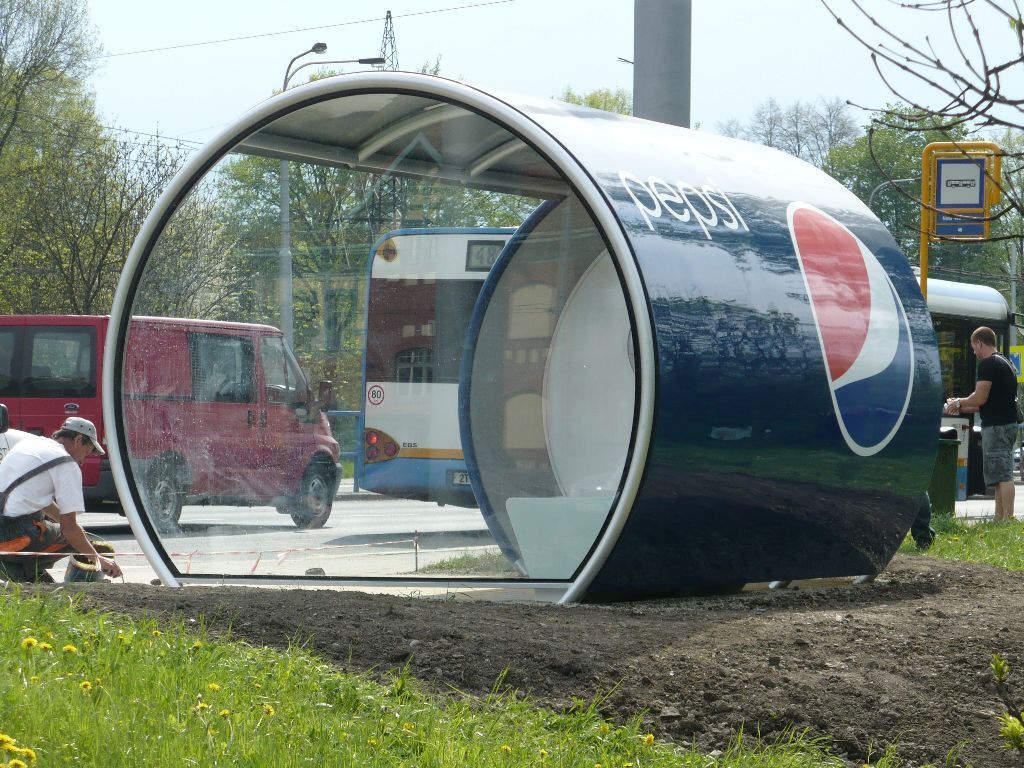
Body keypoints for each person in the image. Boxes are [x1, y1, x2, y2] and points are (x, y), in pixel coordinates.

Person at [0, 417, 122, 583]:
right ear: (78, 440)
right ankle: (23, 574)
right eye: (86, 452)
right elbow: (69, 529)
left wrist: (74, 528)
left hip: (4, 528)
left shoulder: (29, 444)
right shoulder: (66, 464)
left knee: (70, 534)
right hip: (12, 535)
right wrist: (98, 559)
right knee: (76, 540)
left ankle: (26, 575)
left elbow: (35, 500)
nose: (83, 461)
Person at [944, 326, 1018, 521]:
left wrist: (958, 402)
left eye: (973, 347)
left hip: (997, 428)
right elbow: (985, 404)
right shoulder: (1005, 362)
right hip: (1006, 424)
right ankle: (1000, 519)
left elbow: (979, 398)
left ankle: (1008, 520)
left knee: (1003, 475)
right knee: (999, 475)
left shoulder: (988, 364)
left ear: (979, 343)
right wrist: (960, 406)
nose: (974, 352)